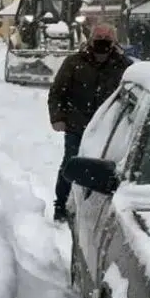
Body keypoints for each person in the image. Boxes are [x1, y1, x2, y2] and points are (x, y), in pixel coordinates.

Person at [48, 22, 130, 223]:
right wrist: (58, 118)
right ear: (90, 41)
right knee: (71, 164)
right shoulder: (74, 63)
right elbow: (58, 92)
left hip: (109, 128)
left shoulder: (123, 66)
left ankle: (100, 210)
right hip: (78, 125)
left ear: (114, 43)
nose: (102, 45)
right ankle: (60, 205)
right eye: (98, 40)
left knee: (108, 170)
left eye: (106, 41)